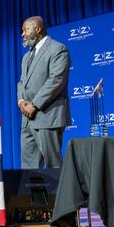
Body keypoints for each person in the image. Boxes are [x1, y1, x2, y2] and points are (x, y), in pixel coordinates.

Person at [17, 16, 71, 169]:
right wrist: (21, 101)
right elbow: (22, 82)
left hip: (48, 116)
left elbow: (56, 80)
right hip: (27, 118)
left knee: (54, 166)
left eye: (25, 30)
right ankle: (32, 194)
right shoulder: (26, 57)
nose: (23, 34)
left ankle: (61, 194)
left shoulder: (58, 49)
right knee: (29, 169)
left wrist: (34, 105)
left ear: (38, 29)